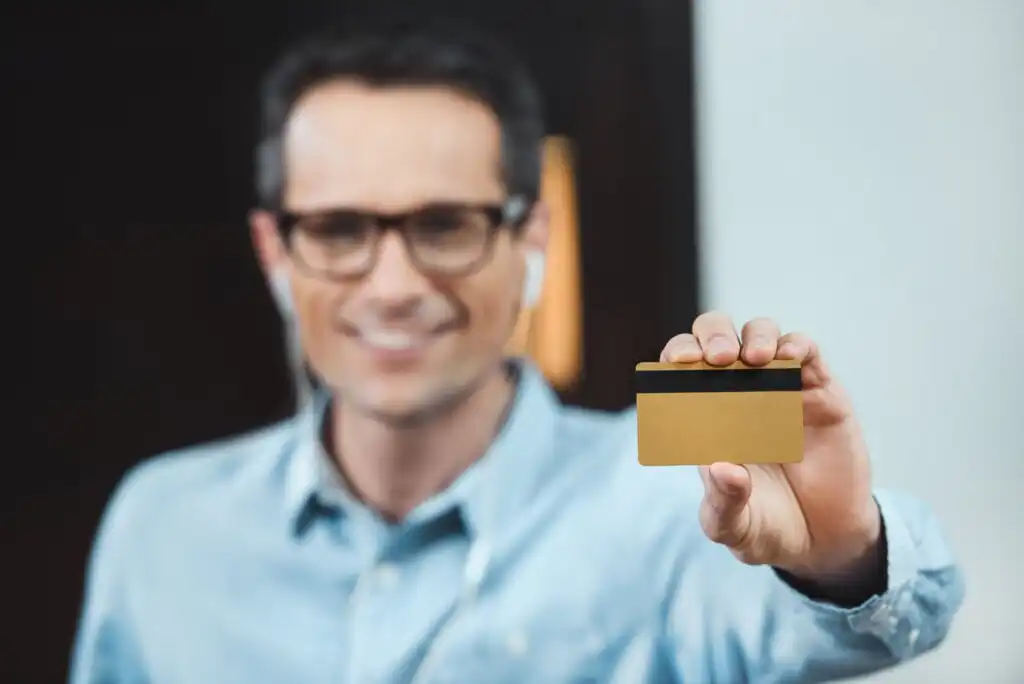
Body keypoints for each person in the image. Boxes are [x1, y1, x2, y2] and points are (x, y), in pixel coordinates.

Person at [69, 17, 964, 684]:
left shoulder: (675, 507)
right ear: (275, 250)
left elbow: (888, 621)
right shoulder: (162, 530)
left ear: (531, 236)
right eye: (339, 229)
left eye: (444, 224)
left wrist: (841, 553)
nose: (392, 285)